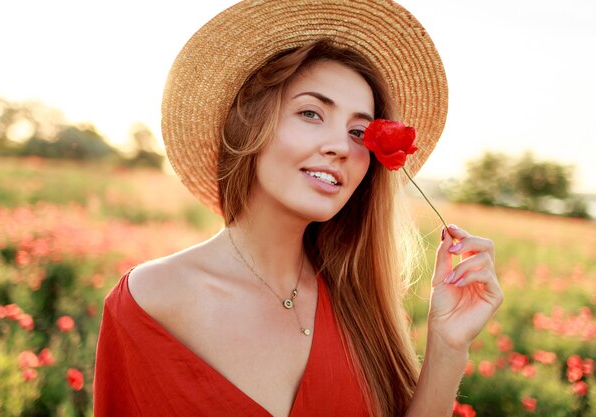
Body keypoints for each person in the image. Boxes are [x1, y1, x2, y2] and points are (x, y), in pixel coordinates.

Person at [93, 1, 503, 416]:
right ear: (249, 123)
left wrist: (449, 347)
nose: (340, 146)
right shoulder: (151, 302)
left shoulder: (358, 308)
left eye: (359, 132)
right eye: (311, 112)